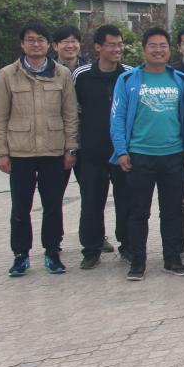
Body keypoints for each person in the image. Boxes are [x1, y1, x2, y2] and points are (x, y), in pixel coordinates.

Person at [0, 21, 78, 277]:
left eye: (41, 40)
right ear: (22, 44)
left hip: (53, 150)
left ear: (49, 45)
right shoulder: (8, 74)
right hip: (20, 152)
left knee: (53, 205)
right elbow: (0, 117)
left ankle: (52, 252)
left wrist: (70, 149)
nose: (36, 44)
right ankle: (21, 255)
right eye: (30, 40)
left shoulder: (61, 74)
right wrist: (2, 152)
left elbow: (70, 114)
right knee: (21, 206)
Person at [110, 27, 184, 281]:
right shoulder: (128, 80)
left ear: (170, 49)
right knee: (138, 211)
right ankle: (137, 262)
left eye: (163, 45)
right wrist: (121, 150)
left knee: (173, 210)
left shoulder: (179, 79)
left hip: (174, 155)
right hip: (139, 155)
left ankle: (172, 259)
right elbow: (117, 117)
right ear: (144, 49)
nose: (158, 50)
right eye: (153, 45)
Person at [73, 24, 130, 268]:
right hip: (91, 152)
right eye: (111, 45)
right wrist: (73, 147)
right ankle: (91, 249)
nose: (117, 49)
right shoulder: (81, 75)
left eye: (119, 44)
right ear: (98, 47)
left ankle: (128, 245)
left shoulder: (129, 74)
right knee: (91, 203)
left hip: (123, 152)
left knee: (126, 201)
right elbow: (72, 112)